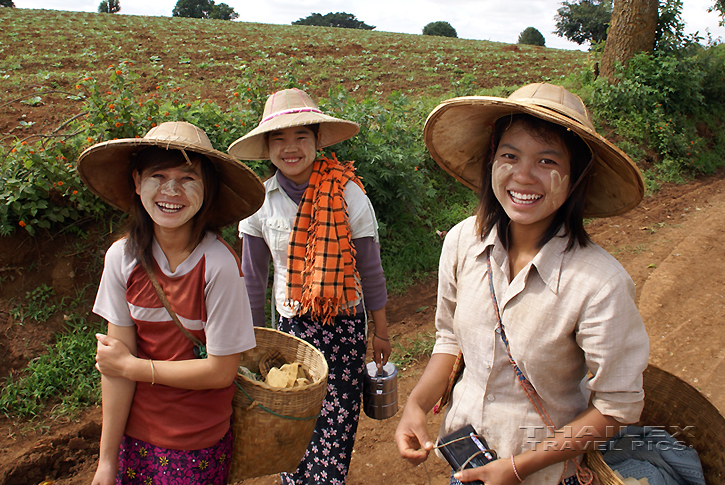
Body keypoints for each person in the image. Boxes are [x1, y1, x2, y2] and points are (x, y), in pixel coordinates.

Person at [395, 83, 650, 485]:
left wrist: (516, 468)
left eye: (547, 160)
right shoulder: (464, 241)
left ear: (575, 177)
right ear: (492, 161)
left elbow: (616, 408)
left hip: (545, 476)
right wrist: (416, 405)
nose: (524, 175)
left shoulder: (600, 284)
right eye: (510, 156)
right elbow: (449, 339)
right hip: (466, 461)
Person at [78, 121, 265, 485]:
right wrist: (106, 460)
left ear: (207, 188)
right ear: (136, 182)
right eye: (158, 175)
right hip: (133, 438)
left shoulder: (219, 265)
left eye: (188, 178)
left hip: (196, 444)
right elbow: (116, 367)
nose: (171, 190)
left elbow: (220, 371)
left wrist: (134, 368)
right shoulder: (122, 258)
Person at [228, 88, 392, 484]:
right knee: (292, 426)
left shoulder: (349, 194)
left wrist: (381, 330)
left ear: (318, 140)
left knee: (334, 433)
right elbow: (253, 280)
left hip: (344, 329)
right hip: (291, 333)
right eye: (279, 139)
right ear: (267, 147)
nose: (291, 148)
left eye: (301, 136)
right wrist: (255, 341)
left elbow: (370, 270)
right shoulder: (259, 201)